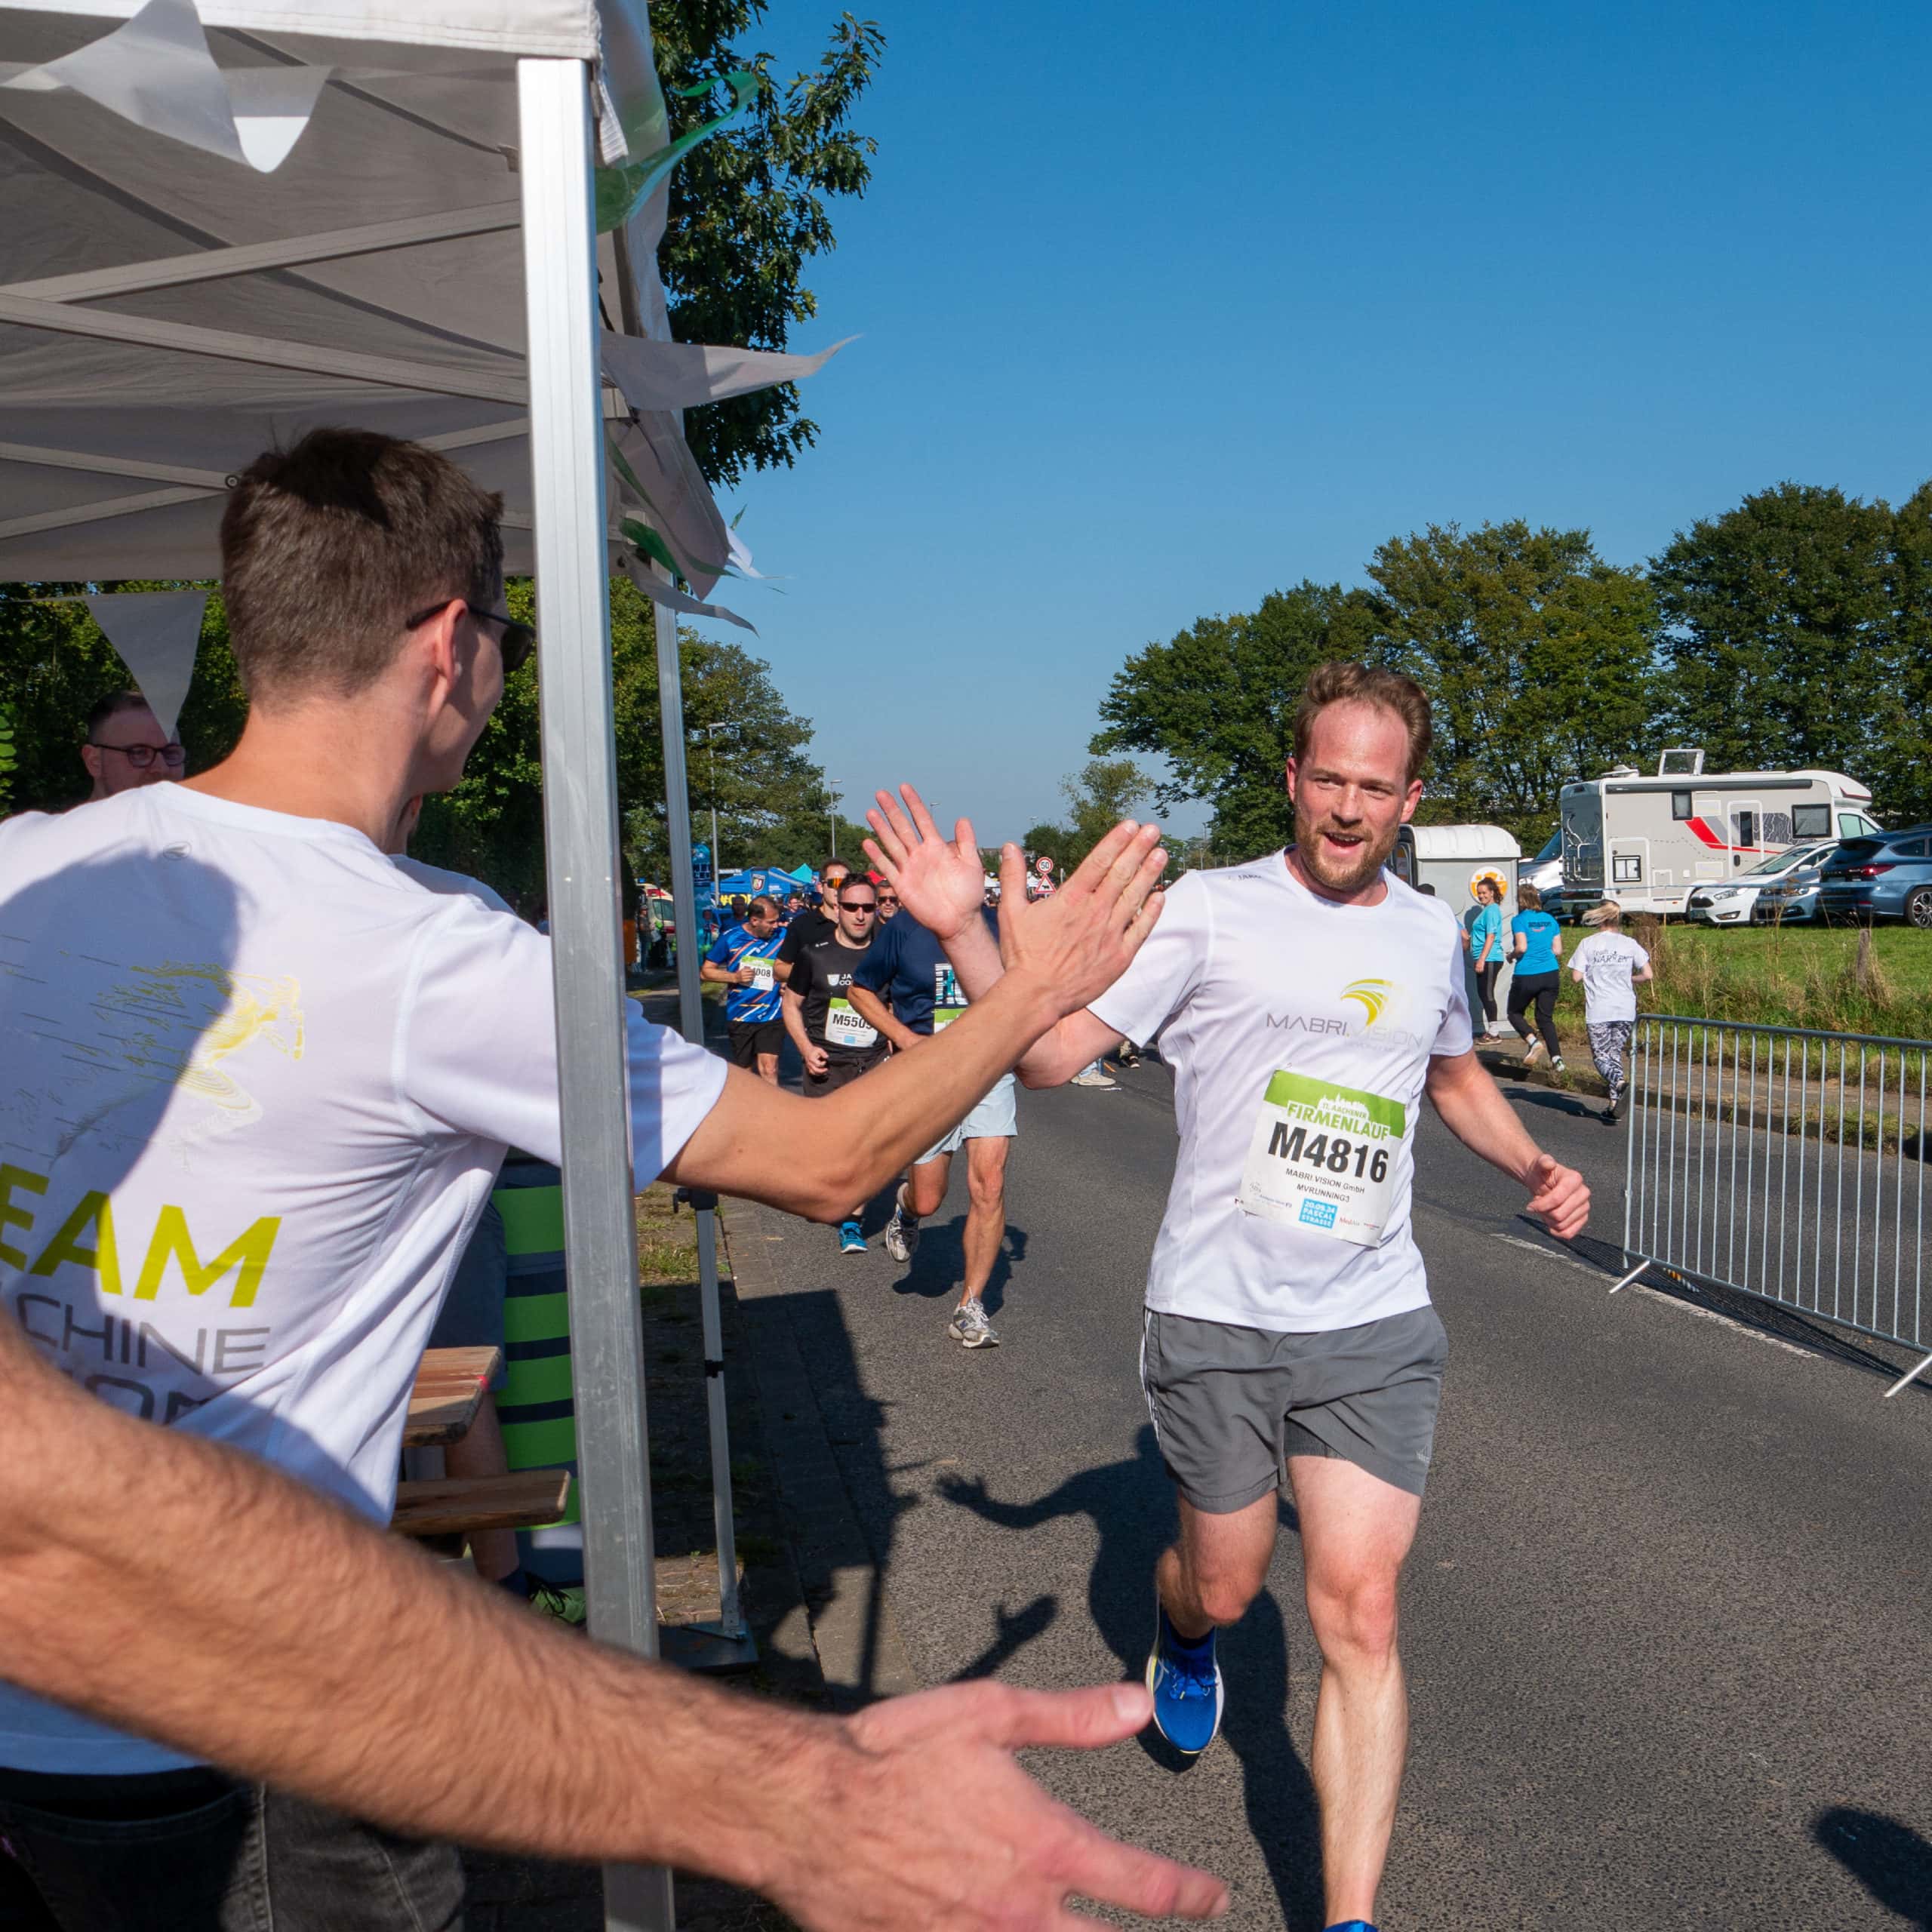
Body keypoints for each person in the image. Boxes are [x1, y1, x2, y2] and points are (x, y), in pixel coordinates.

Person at [0, 426, 1195, 1930]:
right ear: (448, 643)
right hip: (255, 1715)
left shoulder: (28, 863)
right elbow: (831, 1165)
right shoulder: (436, 953)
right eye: (498, 644)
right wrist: (1026, 995)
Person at [867, 661, 1590, 1932]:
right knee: (1230, 1587)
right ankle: (1183, 1628)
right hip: (1218, 1316)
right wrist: (965, 932)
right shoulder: (1206, 911)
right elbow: (1043, 1055)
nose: (1351, 810)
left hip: (1372, 1321)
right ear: (1293, 778)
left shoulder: (1428, 931)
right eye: (1330, 781)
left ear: (1409, 796)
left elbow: (1454, 1076)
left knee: (1361, 1610)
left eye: (1378, 788)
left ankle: (1351, 1917)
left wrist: (1534, 1160)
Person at [848, 901, 1017, 1351]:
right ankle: (907, 1211)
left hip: (987, 1068)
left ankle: (971, 1306)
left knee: (990, 1184)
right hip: (928, 1073)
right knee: (928, 1196)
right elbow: (860, 990)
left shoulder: (999, 924)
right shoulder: (905, 927)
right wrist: (904, 1038)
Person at [781, 872, 888, 1254]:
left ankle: (851, 1221)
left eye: (868, 907)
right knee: (829, 1148)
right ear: (837, 909)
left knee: (861, 1146)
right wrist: (806, 1049)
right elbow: (790, 1005)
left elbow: (895, 1007)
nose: (860, 915)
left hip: (873, 1062)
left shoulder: (887, 953)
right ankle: (828, 1195)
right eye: (852, 907)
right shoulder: (815, 954)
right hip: (826, 1063)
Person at [1569, 899, 1653, 1123]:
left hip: (1600, 1009)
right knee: (1614, 1054)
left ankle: (1619, 1084)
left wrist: (1594, 976)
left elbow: (1576, 977)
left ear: (1599, 917)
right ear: (1617, 919)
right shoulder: (1630, 943)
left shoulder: (1588, 943)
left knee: (1600, 1057)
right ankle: (1615, 1104)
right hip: (1625, 1007)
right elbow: (1648, 974)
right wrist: (1628, 978)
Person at [701, 894, 786, 1084]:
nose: (776, 926)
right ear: (755, 920)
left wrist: (789, 980)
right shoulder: (730, 938)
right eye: (771, 922)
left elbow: (799, 962)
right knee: (745, 1074)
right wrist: (734, 977)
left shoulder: (782, 936)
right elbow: (706, 972)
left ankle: (772, 1112)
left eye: (777, 921)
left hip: (772, 1013)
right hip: (741, 1014)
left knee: (769, 1068)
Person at [78, 690, 184, 801]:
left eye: (171, 753)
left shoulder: (198, 817)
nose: (162, 769)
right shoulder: (72, 820)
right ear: (94, 762)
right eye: (139, 753)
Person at [1505, 881, 1566, 1071]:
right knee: (1545, 1018)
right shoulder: (1550, 919)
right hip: (1550, 973)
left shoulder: (1519, 920)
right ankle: (1557, 1059)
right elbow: (1558, 950)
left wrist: (1510, 955)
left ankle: (1533, 1041)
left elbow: (1522, 947)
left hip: (1527, 974)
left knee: (1514, 1013)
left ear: (1521, 901)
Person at [774, 856, 851, 980]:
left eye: (845, 883)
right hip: (814, 997)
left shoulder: (860, 922)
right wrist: (813, 972)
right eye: (835, 883)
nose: (840, 888)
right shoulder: (802, 924)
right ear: (820, 887)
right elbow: (778, 970)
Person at [1466, 875, 1506, 1038]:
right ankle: (1491, 1029)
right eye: (1479, 893)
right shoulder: (1486, 911)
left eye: (1484, 893)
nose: (1481, 896)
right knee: (1482, 993)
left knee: (1487, 993)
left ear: (1492, 893)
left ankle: (1494, 1031)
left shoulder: (1492, 910)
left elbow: (1491, 936)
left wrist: (1482, 958)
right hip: (1483, 957)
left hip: (1490, 958)